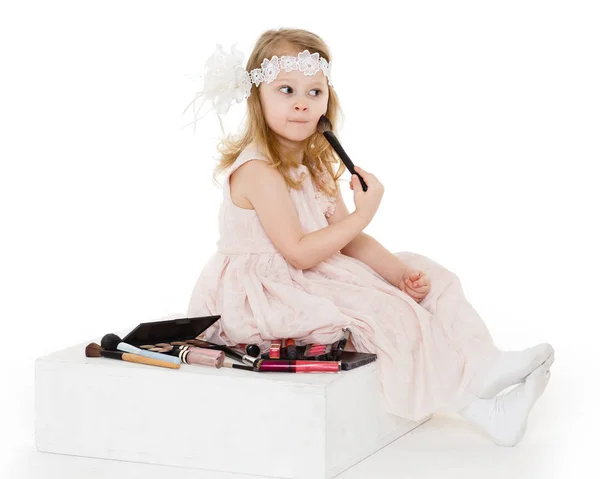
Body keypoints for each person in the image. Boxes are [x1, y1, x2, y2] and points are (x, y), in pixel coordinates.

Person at [184, 28, 554, 447]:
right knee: (385, 310)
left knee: (430, 276)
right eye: (286, 90)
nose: (302, 102)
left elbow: (349, 242)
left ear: (328, 101)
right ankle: (480, 403)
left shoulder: (314, 166)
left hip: (308, 270)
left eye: (315, 91)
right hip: (264, 290)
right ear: (258, 98)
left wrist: (401, 273)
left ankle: (484, 367)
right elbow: (300, 253)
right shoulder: (258, 171)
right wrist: (364, 213)